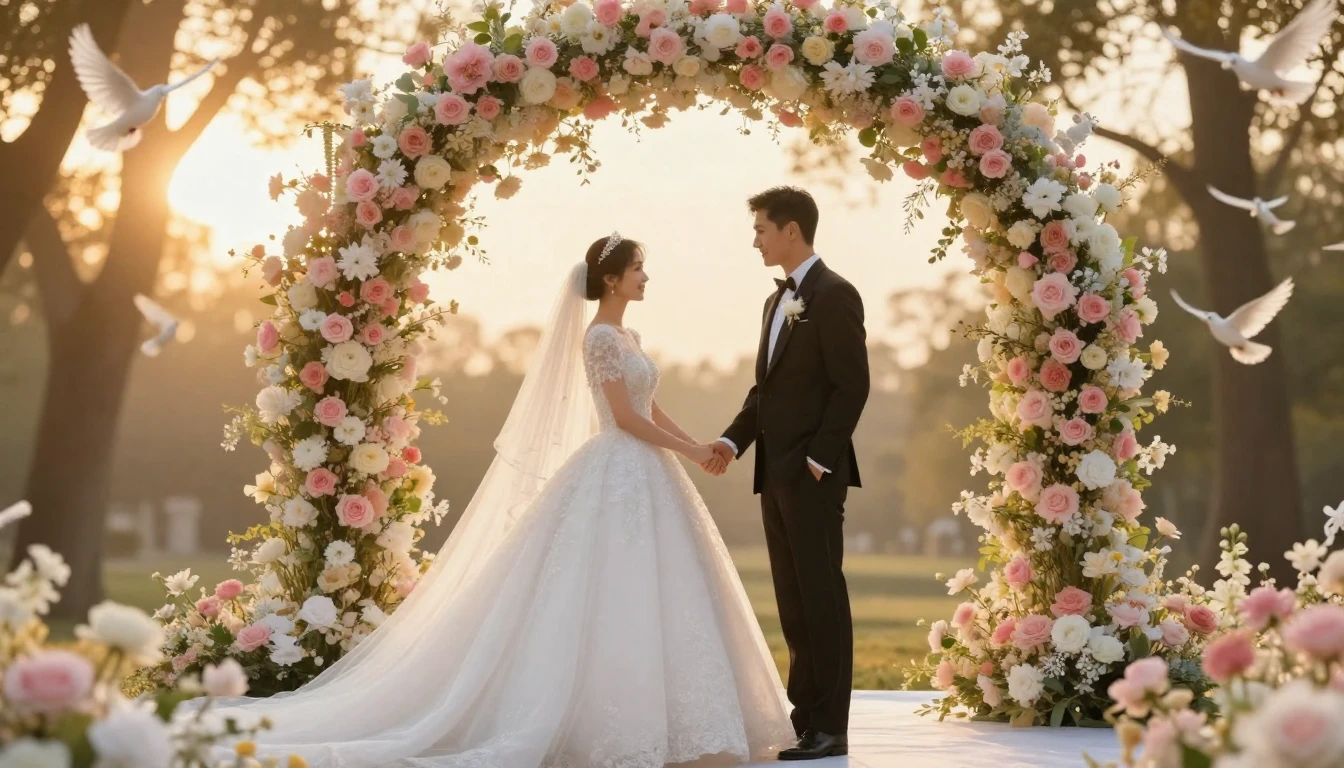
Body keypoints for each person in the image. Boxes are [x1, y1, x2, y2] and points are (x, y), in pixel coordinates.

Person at [187, 234, 794, 768]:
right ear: (611, 278)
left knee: (660, 590)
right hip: (617, 466)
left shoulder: (629, 335)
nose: (645, 276)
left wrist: (698, 444)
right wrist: (690, 454)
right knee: (607, 590)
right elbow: (625, 418)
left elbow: (651, 407)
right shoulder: (601, 339)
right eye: (638, 267)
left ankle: (679, 723)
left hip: (649, 473)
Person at [706, 186, 870, 761]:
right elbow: (765, 391)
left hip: (813, 475)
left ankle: (832, 725)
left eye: (761, 230)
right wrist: (732, 441)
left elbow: (853, 385)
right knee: (793, 600)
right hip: (772, 475)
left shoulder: (836, 295)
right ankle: (807, 719)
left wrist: (819, 460)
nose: (755, 240)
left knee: (822, 596)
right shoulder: (775, 303)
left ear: (791, 231)